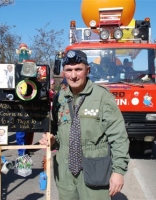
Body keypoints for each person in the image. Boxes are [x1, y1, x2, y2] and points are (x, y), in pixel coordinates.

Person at [39, 50, 130, 200]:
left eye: (78, 69)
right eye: (69, 70)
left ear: (88, 70)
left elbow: (119, 137)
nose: (73, 75)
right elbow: (55, 131)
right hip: (65, 173)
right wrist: (52, 140)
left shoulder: (102, 97)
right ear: (64, 73)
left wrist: (118, 171)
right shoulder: (59, 98)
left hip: (95, 170)